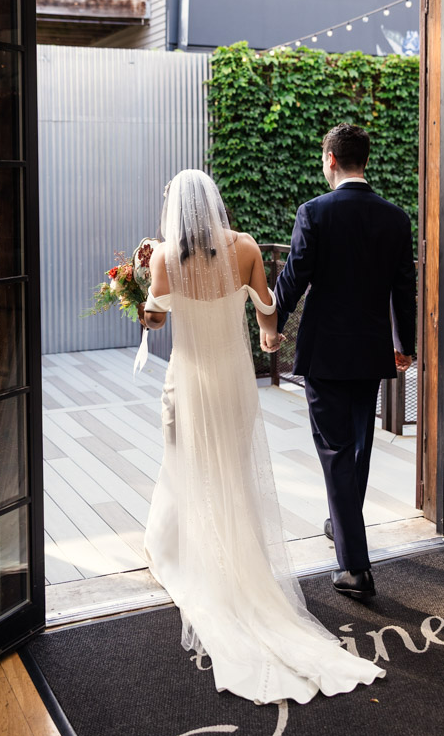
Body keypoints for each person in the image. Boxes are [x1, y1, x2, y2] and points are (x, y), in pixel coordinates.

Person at [139, 169, 385, 705]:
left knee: (188, 463)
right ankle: (241, 557)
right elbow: (268, 304)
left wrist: (138, 288)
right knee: (232, 466)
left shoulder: (163, 258)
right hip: (233, 380)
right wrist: (267, 329)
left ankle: (188, 552)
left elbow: (154, 320)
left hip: (191, 379)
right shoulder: (246, 247)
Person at [270, 124, 417, 601]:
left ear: (330, 159)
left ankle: (355, 568)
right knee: (358, 445)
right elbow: (403, 289)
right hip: (371, 350)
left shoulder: (314, 212)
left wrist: (271, 325)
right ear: (364, 160)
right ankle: (341, 523)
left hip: (326, 353)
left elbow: (293, 278)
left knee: (336, 451)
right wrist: (405, 343)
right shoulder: (395, 217)